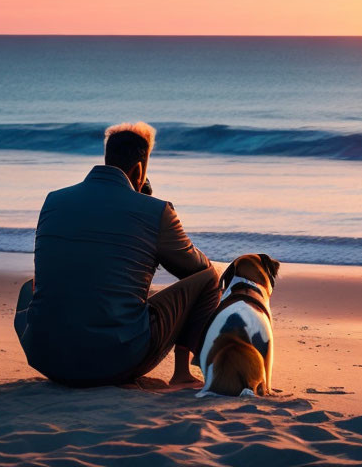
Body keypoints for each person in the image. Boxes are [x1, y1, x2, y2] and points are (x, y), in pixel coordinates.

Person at [14, 121, 219, 387]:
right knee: (210, 277)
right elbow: (196, 268)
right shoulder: (156, 211)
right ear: (139, 170)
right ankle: (182, 373)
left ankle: (56, 343)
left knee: (28, 289)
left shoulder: (53, 200)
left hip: (46, 358)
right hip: (116, 362)